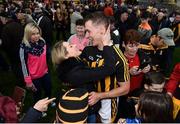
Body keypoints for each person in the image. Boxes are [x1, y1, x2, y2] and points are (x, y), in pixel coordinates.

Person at [51, 28, 116, 123]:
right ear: (65, 56)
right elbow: (109, 69)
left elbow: (84, 56)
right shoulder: (75, 73)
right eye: (70, 46)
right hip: (85, 110)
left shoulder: (71, 64)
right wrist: (106, 45)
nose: (74, 45)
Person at [82, 11, 130, 123]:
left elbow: (125, 89)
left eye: (88, 31)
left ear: (102, 30)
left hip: (107, 102)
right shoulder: (87, 50)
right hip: (88, 99)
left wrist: (100, 95)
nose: (86, 36)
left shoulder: (119, 57)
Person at [19, 23, 52, 103]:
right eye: (33, 34)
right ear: (28, 34)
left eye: (37, 33)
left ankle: (47, 102)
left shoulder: (42, 43)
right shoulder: (24, 48)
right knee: (37, 94)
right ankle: (38, 109)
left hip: (45, 73)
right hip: (34, 77)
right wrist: (28, 81)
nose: (37, 36)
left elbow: (46, 58)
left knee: (49, 89)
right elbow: (24, 65)